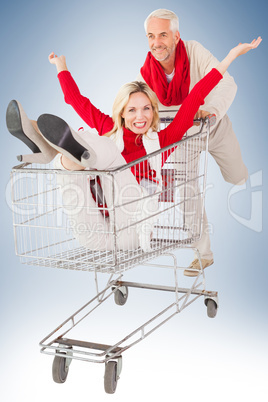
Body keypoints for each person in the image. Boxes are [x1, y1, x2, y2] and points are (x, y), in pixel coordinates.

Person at [6, 38, 261, 254]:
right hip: (99, 234)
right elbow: (75, 100)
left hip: (134, 225)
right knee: (76, 171)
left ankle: (51, 146)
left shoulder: (162, 140)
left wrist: (230, 57)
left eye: (146, 109)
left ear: (153, 111)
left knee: (104, 152)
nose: (140, 116)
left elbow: (194, 97)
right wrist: (61, 65)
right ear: (123, 113)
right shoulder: (111, 127)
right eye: (132, 110)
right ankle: (58, 152)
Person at [136, 8, 254, 276]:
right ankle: (204, 255)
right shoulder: (145, 73)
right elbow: (142, 109)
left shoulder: (194, 51)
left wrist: (209, 111)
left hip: (213, 123)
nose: (157, 43)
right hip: (182, 136)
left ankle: (241, 179)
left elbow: (226, 83)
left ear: (176, 36)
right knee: (186, 191)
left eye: (163, 35)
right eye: (151, 36)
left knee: (238, 176)